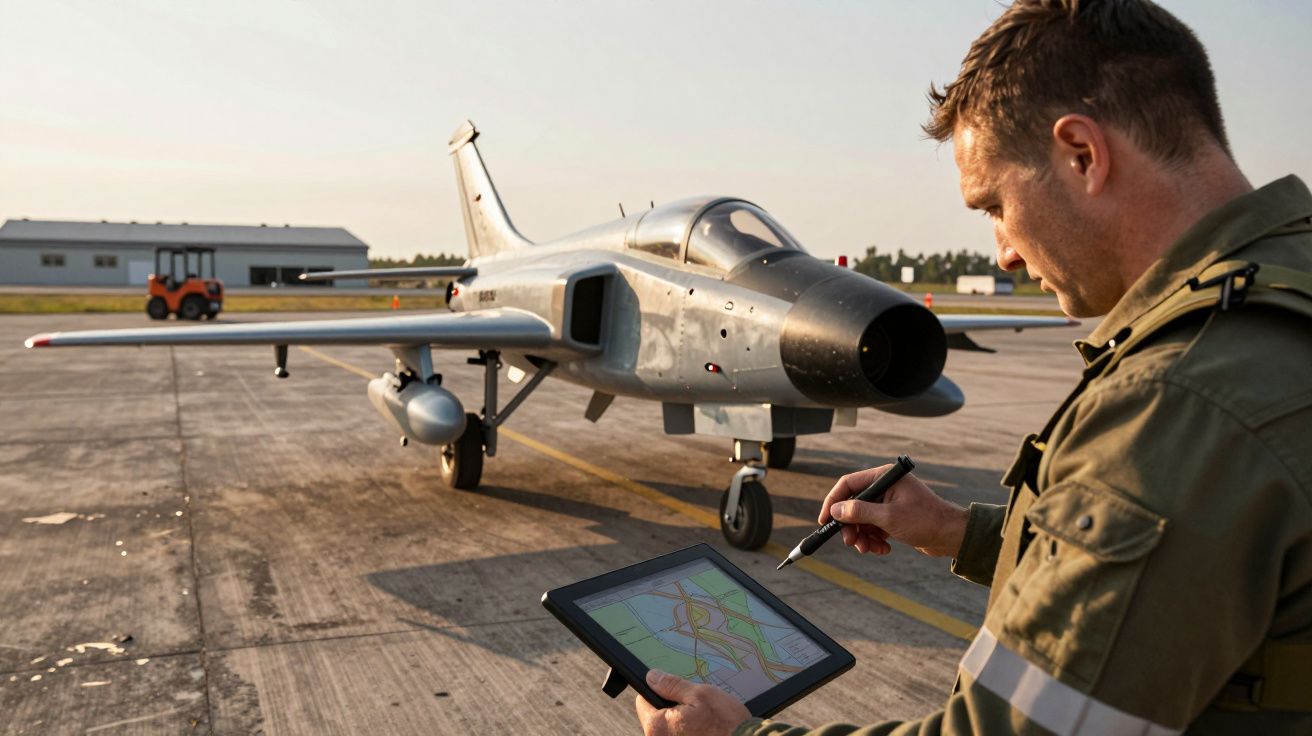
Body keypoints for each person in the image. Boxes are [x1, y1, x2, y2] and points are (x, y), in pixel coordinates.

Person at [635, 1, 1312, 734]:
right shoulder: (1281, 297)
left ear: (1082, 153)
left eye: (994, 203)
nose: (1004, 254)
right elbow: (1198, 570)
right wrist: (962, 531)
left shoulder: (1178, 401)